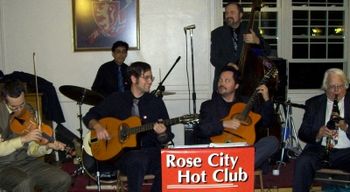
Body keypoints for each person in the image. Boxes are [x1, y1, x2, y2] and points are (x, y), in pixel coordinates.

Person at [83, 61, 175, 192]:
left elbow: (166, 137)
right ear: (133, 78)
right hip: (123, 156)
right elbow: (89, 116)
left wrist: (162, 134)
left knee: (170, 163)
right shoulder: (116, 99)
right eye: (146, 77)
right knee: (137, 159)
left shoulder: (156, 103)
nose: (150, 81)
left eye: (151, 78)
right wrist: (97, 126)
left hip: (151, 152)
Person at [195, 65, 279, 169]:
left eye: (227, 81)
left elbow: (266, 122)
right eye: (220, 80)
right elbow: (200, 130)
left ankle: (236, 169)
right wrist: (223, 124)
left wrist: (266, 99)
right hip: (219, 153)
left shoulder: (247, 102)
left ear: (236, 86)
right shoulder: (208, 105)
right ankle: (239, 169)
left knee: (272, 141)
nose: (222, 83)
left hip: (243, 150)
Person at [0, 79, 71, 192]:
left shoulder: (29, 111)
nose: (19, 110)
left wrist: (46, 147)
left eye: (22, 104)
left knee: (63, 179)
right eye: (14, 107)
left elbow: (32, 149)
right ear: (5, 100)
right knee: (24, 183)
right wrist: (23, 139)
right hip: (4, 166)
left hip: (28, 163)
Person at [293, 68, 350, 192]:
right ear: (325, 88)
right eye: (332, 87)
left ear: (346, 86)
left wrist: (346, 127)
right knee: (303, 162)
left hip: (346, 151)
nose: (336, 91)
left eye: (340, 86)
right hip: (320, 149)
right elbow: (303, 133)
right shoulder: (313, 103)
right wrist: (318, 134)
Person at [210, 2, 271, 91]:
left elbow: (265, 52)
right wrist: (229, 64)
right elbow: (214, 59)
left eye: (232, 12)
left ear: (241, 15)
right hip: (224, 83)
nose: (228, 15)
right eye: (226, 13)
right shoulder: (217, 33)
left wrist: (257, 41)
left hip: (247, 83)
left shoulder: (251, 29)